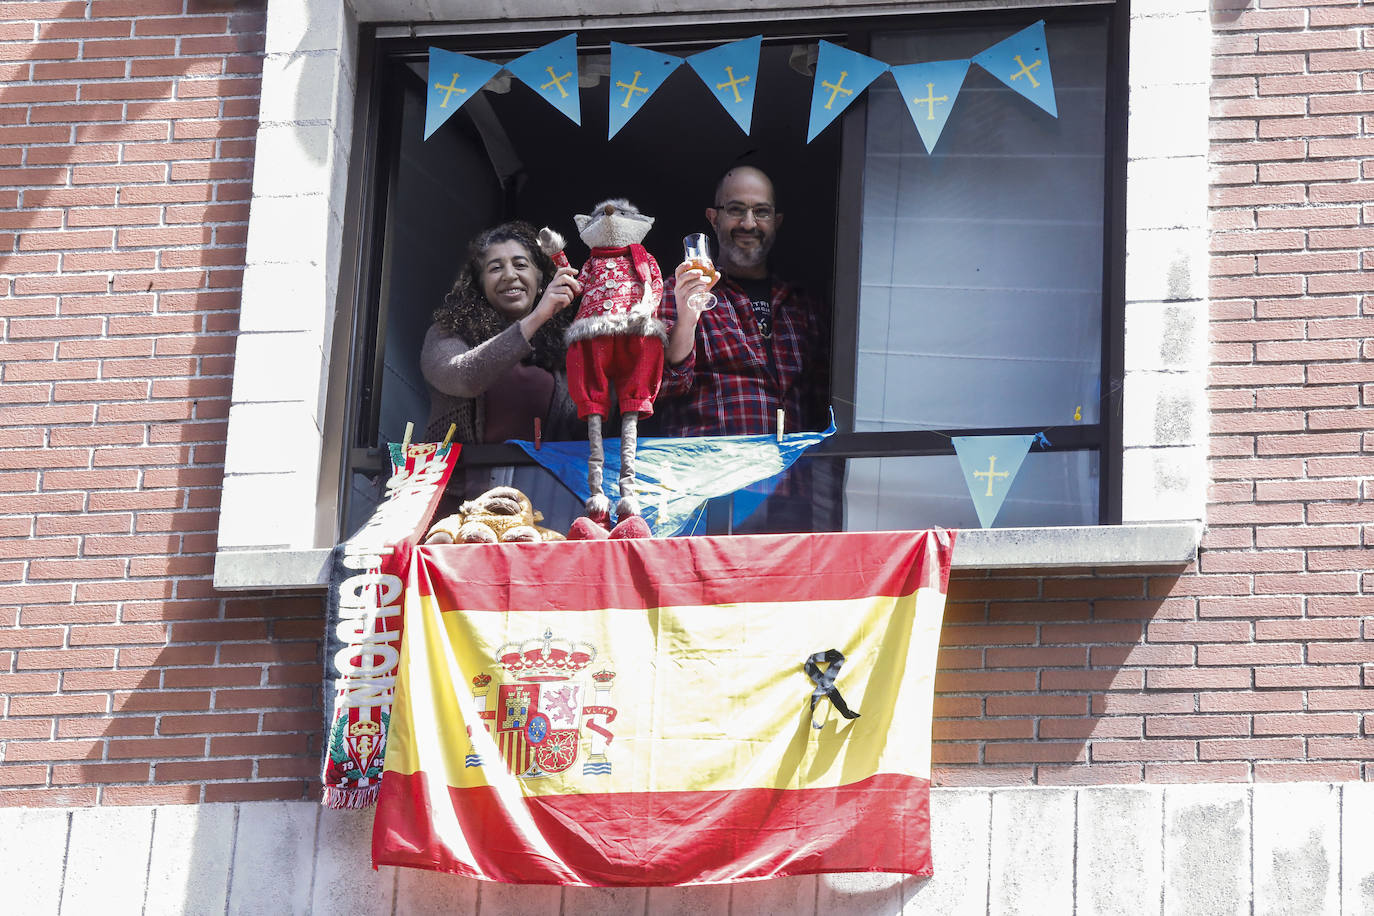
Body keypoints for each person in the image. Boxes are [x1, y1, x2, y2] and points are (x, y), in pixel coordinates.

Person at [657, 165, 834, 530]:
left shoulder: (804, 303)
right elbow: (659, 387)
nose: (749, 223)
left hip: (795, 494)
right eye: (736, 209)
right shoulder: (679, 289)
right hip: (708, 497)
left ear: (777, 220)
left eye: (761, 211)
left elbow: (823, 405)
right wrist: (688, 315)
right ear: (713, 218)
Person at [420, 221, 584, 521]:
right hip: (456, 508)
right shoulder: (448, 334)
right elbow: (463, 377)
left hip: (546, 507)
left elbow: (592, 420)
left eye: (521, 264)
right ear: (479, 283)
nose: (510, 275)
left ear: (540, 276)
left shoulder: (567, 348)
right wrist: (538, 317)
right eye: (495, 268)